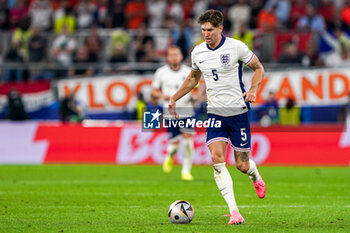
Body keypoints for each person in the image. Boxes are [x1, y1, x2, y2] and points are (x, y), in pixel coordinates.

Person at [168, 10, 266, 225]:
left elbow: (258, 68)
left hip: (238, 112)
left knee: (242, 165)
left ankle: (255, 175)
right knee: (217, 160)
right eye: (203, 30)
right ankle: (234, 212)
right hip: (214, 113)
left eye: (210, 30)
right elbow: (193, 78)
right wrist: (174, 97)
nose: (206, 34)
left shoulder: (236, 47)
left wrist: (253, 89)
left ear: (220, 28)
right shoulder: (198, 52)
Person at [151, 45, 195, 181]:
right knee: (174, 143)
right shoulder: (161, 72)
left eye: (176, 54)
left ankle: (186, 171)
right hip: (169, 110)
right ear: (168, 57)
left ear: (181, 56)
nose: (174, 57)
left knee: (188, 139)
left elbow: (197, 87)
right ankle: (170, 156)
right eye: (171, 55)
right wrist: (162, 96)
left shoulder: (189, 71)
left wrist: (196, 95)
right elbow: (153, 91)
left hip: (186, 109)